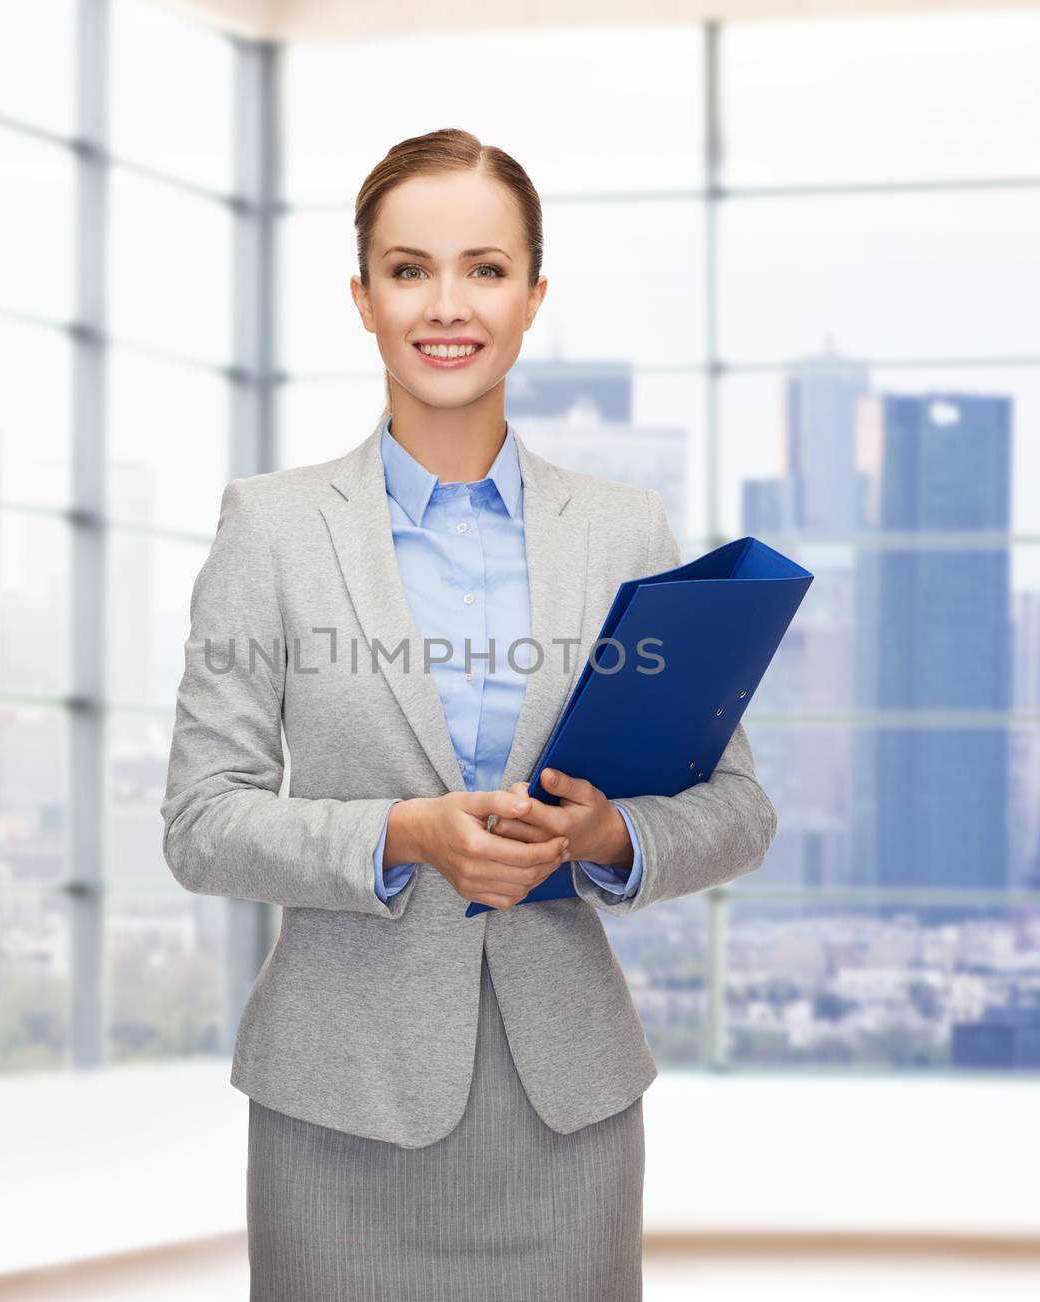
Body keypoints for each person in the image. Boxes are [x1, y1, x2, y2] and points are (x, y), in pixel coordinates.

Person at [161, 127, 778, 1302]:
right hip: (337, 1111)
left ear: (534, 296)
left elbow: (737, 808)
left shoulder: (621, 531)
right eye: (409, 269)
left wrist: (608, 838)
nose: (448, 305)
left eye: (485, 270)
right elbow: (201, 821)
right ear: (361, 296)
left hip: (569, 1111)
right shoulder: (273, 529)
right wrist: (404, 833)